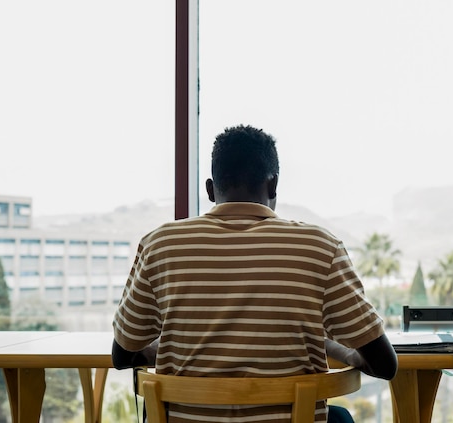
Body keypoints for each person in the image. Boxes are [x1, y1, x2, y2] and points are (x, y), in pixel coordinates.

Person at [112, 124, 398, 423]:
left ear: (210, 190)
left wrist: (177, 344)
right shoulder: (320, 246)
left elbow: (123, 355)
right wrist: (338, 350)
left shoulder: (160, 244)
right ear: (273, 185)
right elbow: (384, 364)